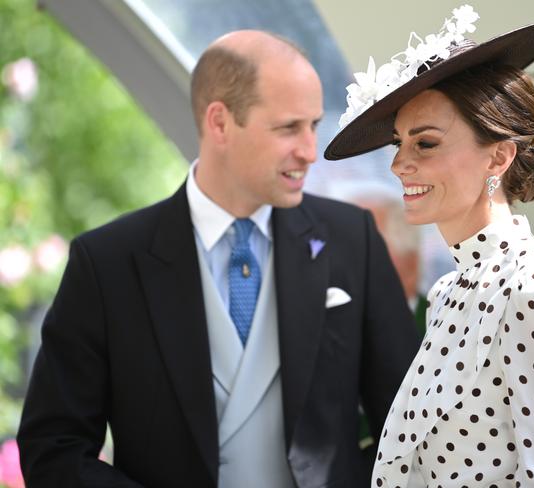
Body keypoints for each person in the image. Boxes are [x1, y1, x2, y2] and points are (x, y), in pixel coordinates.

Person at [17, 30, 421, 488]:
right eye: (288, 127)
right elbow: (53, 449)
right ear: (220, 123)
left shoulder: (353, 241)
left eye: (313, 125)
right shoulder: (107, 263)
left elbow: (410, 428)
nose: (310, 151)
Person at [325, 6, 534, 488]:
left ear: (498, 155)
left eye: (425, 144)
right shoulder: (449, 292)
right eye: (398, 143)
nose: (398, 165)